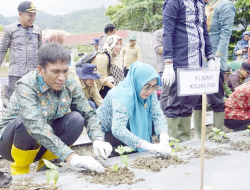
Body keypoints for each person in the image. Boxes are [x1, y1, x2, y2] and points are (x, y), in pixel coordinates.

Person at [0, 43, 112, 175]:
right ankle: (21, 170)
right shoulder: (27, 86)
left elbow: (88, 113)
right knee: (25, 123)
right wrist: (71, 157)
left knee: (76, 119)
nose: (62, 77)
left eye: (65, 71)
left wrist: (98, 139)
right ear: (41, 70)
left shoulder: (69, 84)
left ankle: (48, 164)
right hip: (11, 144)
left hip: (46, 142)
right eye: (55, 71)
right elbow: (35, 126)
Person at [162, 0, 215, 141]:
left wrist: (210, 57)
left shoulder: (200, 4)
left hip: (198, 62)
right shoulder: (174, 2)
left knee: (189, 104)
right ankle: (172, 143)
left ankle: (184, 142)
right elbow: (167, 33)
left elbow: (204, 32)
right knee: (175, 103)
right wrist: (168, 63)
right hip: (180, 60)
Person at [96, 62, 172, 157]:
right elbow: (118, 129)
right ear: (137, 82)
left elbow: (158, 115)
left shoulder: (150, 93)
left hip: (129, 126)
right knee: (126, 154)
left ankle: (138, 145)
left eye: (154, 87)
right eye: (147, 86)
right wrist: (149, 146)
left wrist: (164, 139)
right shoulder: (120, 96)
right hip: (110, 133)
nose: (150, 91)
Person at [193, 0, 235, 139]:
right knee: (197, 98)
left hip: (215, 58)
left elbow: (226, 33)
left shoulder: (225, 5)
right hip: (200, 59)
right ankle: (198, 135)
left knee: (216, 97)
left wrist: (218, 57)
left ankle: (218, 132)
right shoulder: (204, 5)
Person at [0, 1, 42, 107]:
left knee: (33, 104)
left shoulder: (37, 30)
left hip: (33, 75)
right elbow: (2, 50)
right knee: (13, 105)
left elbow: (41, 51)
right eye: (30, 15)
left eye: (34, 15)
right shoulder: (10, 29)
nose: (33, 18)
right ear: (20, 14)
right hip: (15, 75)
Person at [152, 28, 170, 113]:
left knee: (177, 93)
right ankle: (161, 115)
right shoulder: (158, 33)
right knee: (165, 93)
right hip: (164, 68)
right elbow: (158, 49)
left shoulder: (176, 32)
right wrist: (173, 48)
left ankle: (172, 114)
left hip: (177, 67)